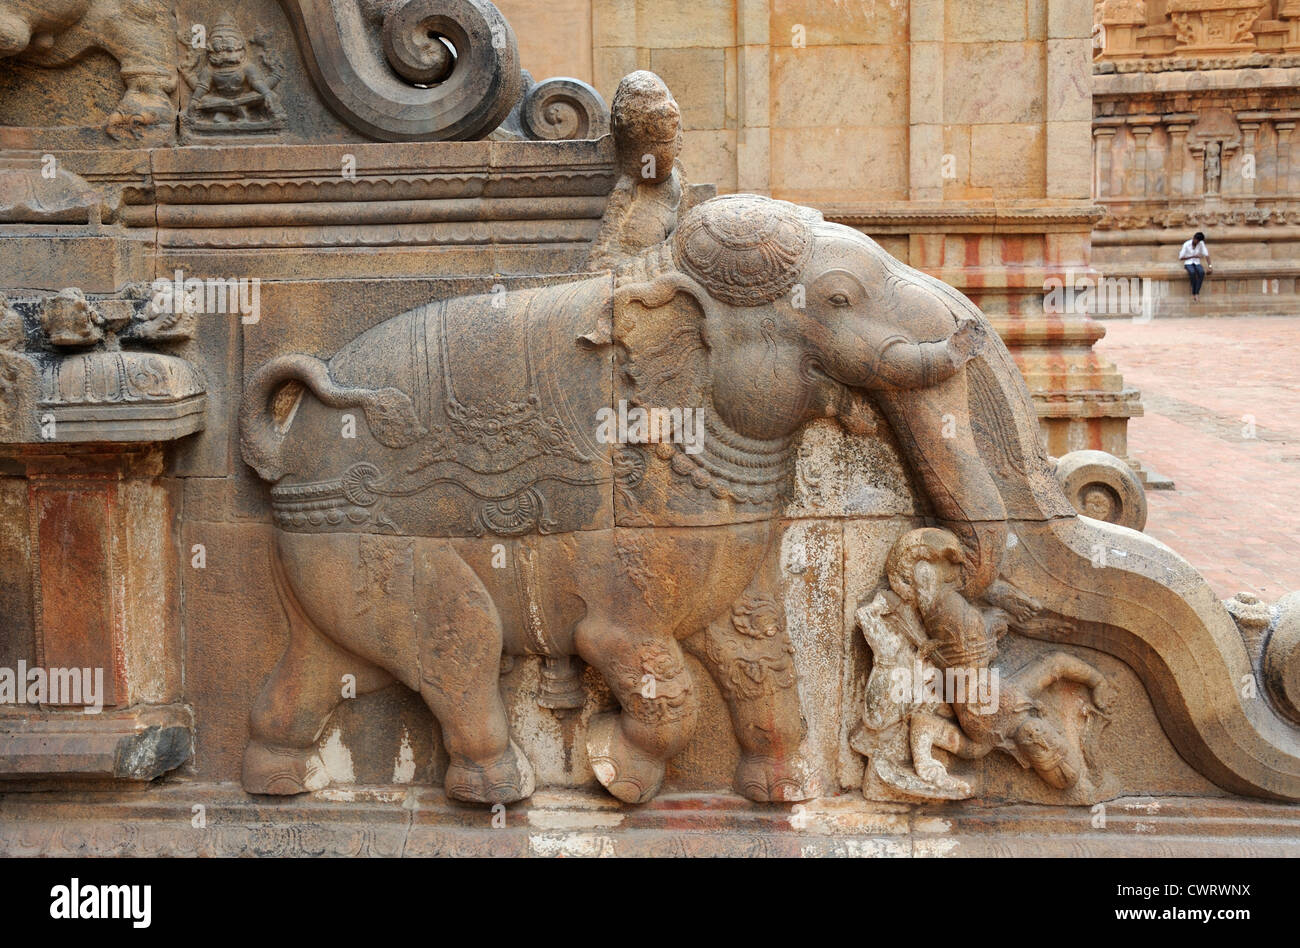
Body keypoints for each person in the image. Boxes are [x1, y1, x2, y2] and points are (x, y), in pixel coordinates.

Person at [1179, 231, 1211, 302]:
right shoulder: (1186, 244)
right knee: (1192, 273)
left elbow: (1206, 255)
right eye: (1196, 240)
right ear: (1194, 238)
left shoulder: (1201, 244)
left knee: (1201, 272)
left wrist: (1210, 266)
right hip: (1188, 263)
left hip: (1197, 263)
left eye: (1198, 241)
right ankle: (1194, 293)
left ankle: (1196, 292)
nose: (1197, 242)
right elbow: (1181, 258)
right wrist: (1193, 256)